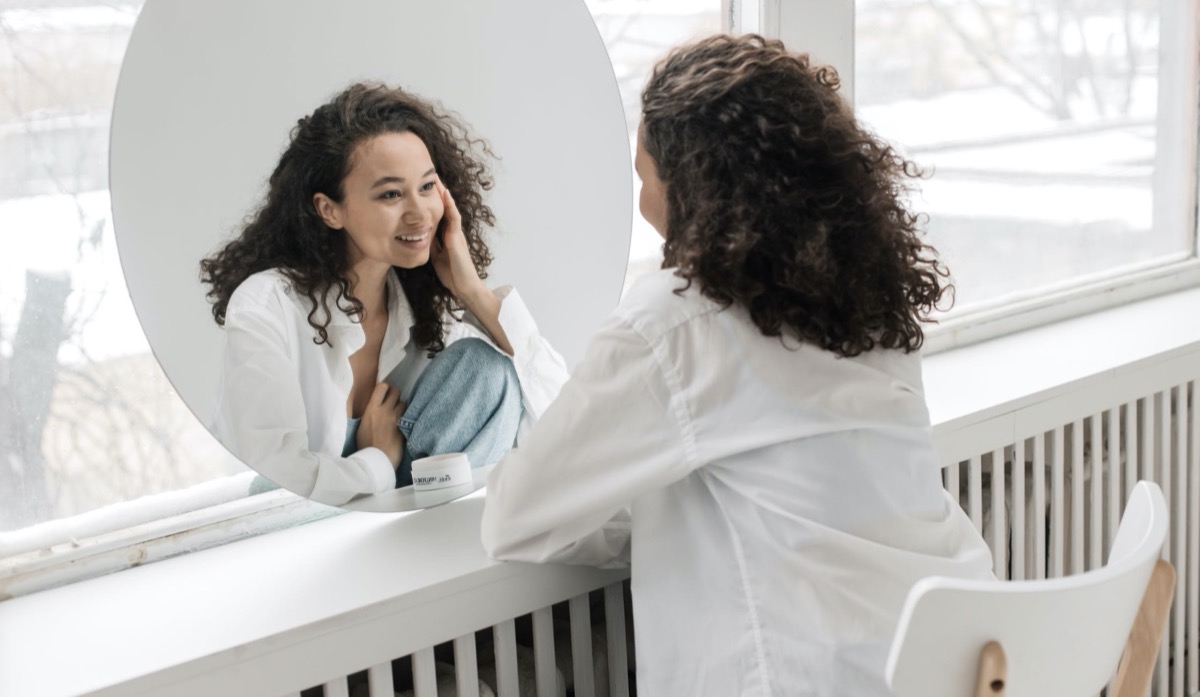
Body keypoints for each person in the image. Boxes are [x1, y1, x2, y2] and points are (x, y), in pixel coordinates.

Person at [480, 34, 995, 696]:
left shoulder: (676, 321)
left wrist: (652, 512)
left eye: (645, 179)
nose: (643, 207)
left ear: (695, 187)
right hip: (963, 655)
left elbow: (515, 516)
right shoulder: (867, 306)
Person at [201, 82, 567, 507]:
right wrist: (376, 459)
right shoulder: (266, 306)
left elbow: (561, 424)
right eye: (391, 194)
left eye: (428, 187)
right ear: (329, 209)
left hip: (413, 536)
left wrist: (471, 291)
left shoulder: (426, 309)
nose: (419, 213)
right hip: (295, 544)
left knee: (489, 370)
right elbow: (275, 486)